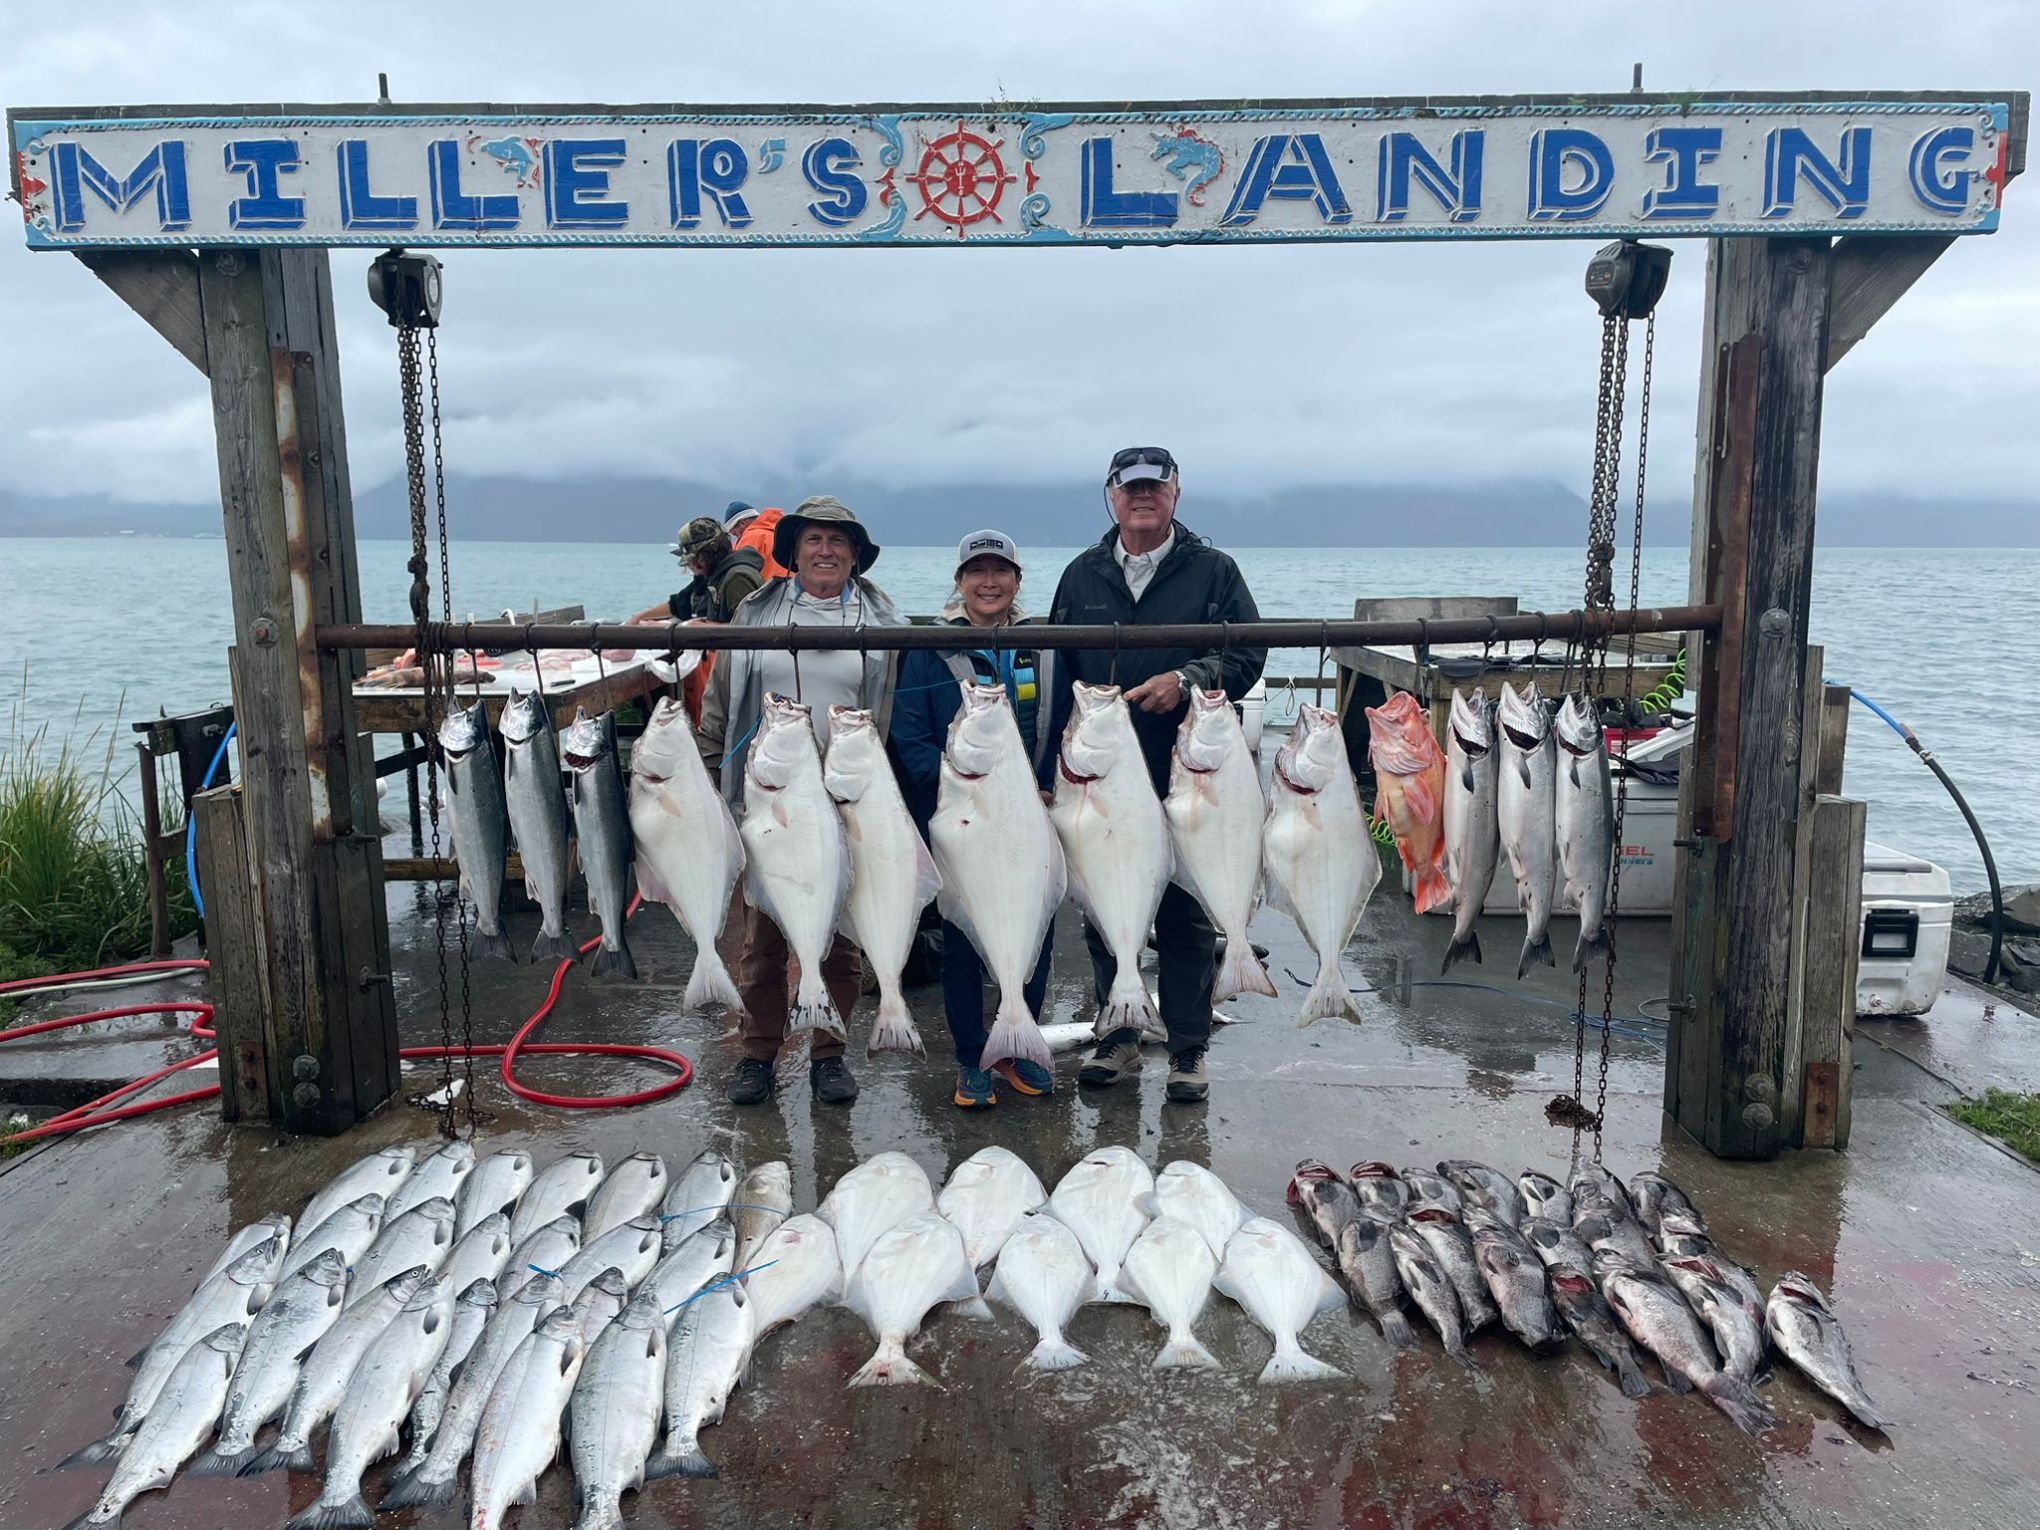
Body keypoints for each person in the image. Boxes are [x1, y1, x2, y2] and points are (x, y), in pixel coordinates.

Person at [1047, 447, 1265, 1103]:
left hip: (1188, 773)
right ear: (1110, 497)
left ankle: (1187, 1049)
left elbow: (1246, 650)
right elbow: (1060, 676)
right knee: (1105, 910)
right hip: (1102, 779)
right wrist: (1047, 771)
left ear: (1175, 495)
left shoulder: (1214, 571)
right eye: (1130, 488)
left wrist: (1188, 680)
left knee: (1185, 915)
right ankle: (1116, 1034)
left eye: (1155, 488)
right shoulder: (1081, 575)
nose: (1142, 498)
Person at [697, 496, 904, 1107]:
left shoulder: (884, 626)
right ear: (792, 551)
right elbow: (718, 710)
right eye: (813, 540)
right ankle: (758, 1052)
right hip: (770, 802)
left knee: (839, 938)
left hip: (845, 803)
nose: (825, 551)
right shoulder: (754, 617)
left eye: (839, 542)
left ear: (856, 555)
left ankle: (828, 1053)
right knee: (761, 939)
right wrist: (716, 786)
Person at [890, 530, 1059, 1110]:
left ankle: (1021, 1045)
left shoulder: (1048, 644)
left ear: (1017, 580)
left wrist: (1053, 786)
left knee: (1035, 930)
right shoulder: (928, 649)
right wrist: (957, 790)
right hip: (963, 819)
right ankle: (971, 1060)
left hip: (1033, 817)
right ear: (959, 582)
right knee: (962, 936)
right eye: (977, 572)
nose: (989, 582)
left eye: (1001, 571)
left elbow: (1063, 725)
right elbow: (907, 736)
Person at [629, 513, 765, 627]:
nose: (691, 565)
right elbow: (679, 603)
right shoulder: (715, 577)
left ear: (713, 551)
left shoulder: (737, 578)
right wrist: (639, 617)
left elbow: (753, 631)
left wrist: (702, 629)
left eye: (695, 558)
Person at [726, 502, 790, 580]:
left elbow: (741, 574)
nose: (737, 538)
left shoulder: (750, 537)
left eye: (735, 533)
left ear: (742, 523)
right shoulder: (782, 533)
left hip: (771, 589)